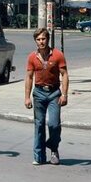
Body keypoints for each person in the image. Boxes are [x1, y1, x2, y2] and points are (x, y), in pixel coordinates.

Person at [24, 27, 69, 166]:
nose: (41, 42)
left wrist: (65, 94)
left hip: (54, 93)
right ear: (35, 41)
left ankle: (53, 148)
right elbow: (29, 77)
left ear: (48, 39)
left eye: (43, 39)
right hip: (38, 93)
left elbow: (65, 74)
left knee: (54, 124)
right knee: (39, 124)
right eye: (38, 39)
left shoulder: (57, 55)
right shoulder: (32, 57)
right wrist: (27, 97)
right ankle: (39, 156)